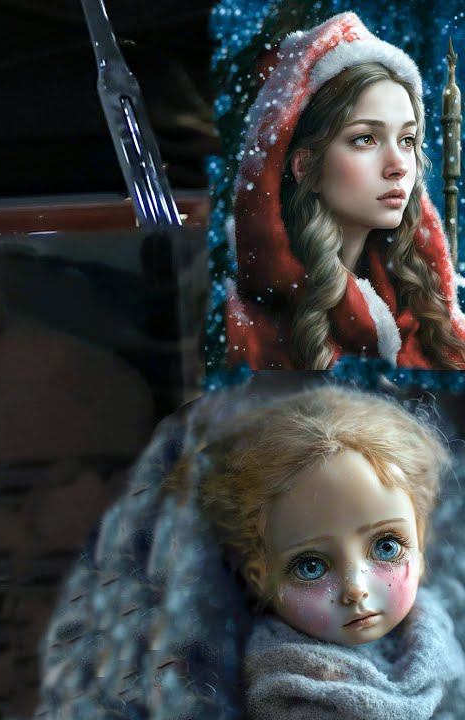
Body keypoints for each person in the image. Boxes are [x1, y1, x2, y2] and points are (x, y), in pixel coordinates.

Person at [188, 385, 464, 718]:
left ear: (419, 542)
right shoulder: (288, 690)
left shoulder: (434, 629)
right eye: (311, 566)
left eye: (386, 546)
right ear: (261, 579)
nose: (356, 589)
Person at [224, 13, 465, 370]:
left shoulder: (422, 313)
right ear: (305, 166)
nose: (398, 165)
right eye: (366, 139)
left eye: (407, 140)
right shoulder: (249, 332)